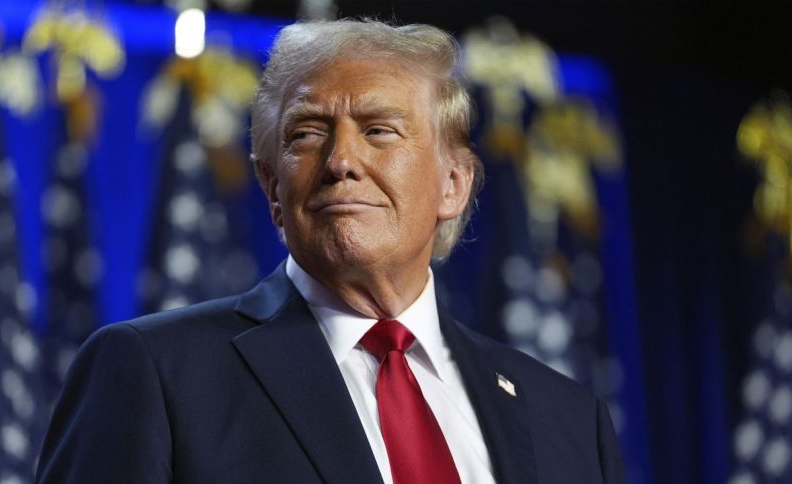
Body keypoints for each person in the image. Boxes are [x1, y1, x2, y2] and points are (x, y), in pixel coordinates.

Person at [36, 19, 625, 484]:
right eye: (307, 133)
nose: (341, 161)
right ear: (272, 188)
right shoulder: (155, 372)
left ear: (453, 184)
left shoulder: (567, 418)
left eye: (379, 130)